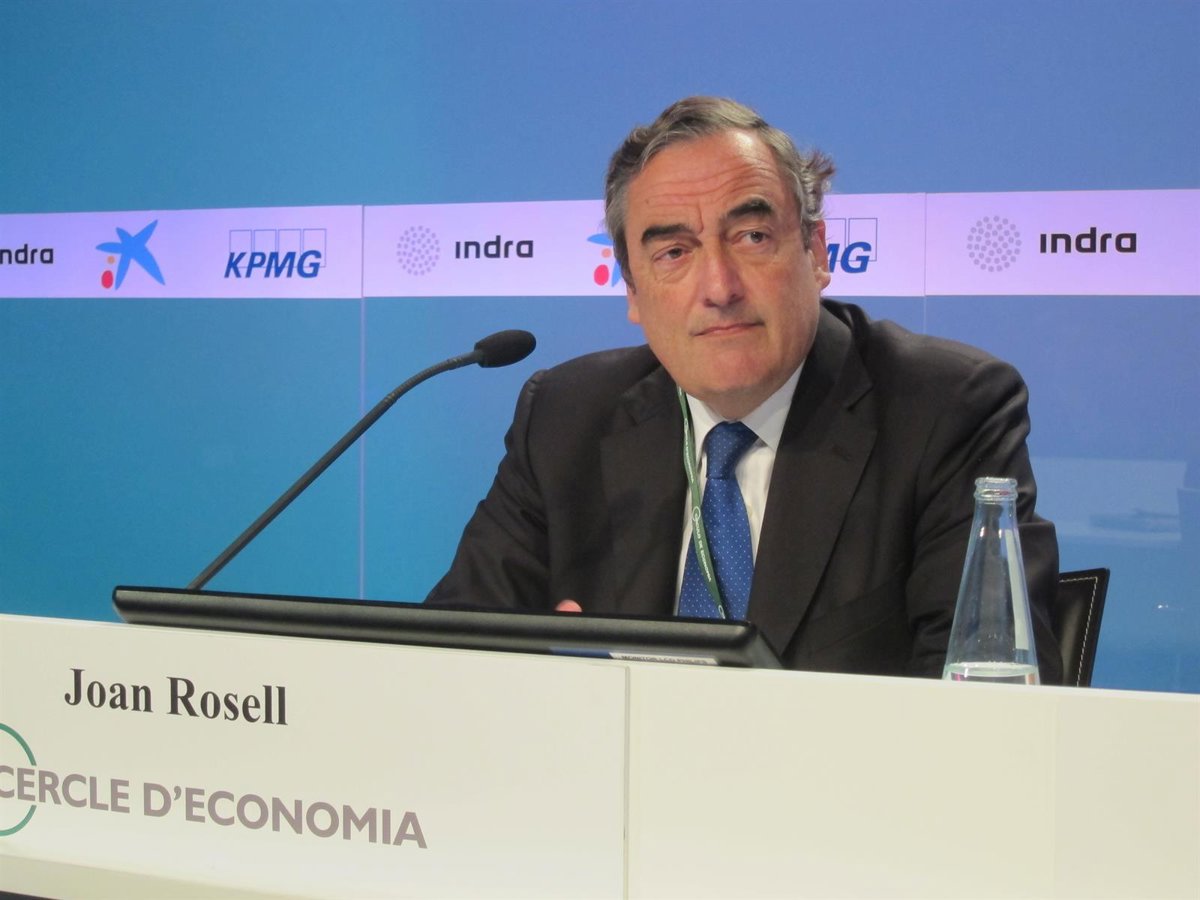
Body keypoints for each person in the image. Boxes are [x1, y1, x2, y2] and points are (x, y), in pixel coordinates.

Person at [426, 96, 1062, 683]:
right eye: (674, 252)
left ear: (816, 252)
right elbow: (444, 664)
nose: (719, 287)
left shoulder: (945, 410)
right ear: (632, 291)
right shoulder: (567, 415)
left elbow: (989, 710)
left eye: (752, 237)